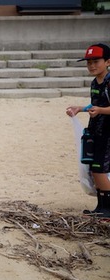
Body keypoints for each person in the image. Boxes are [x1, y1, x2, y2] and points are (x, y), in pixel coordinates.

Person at [66, 43, 110, 218]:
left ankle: (107, 209)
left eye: (96, 61)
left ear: (108, 61)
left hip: (107, 133)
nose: (92, 66)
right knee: (93, 169)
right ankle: (101, 207)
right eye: (89, 62)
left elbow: (102, 108)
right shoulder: (95, 82)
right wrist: (81, 108)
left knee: (99, 169)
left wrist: (100, 111)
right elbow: (97, 104)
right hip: (96, 131)